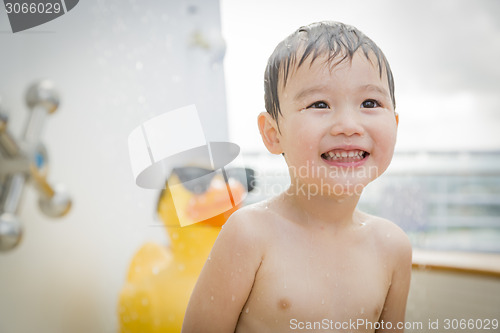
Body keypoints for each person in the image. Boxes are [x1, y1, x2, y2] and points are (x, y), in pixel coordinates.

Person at [182, 21, 412, 333]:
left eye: (369, 103)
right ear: (273, 134)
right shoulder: (249, 234)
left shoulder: (393, 247)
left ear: (395, 124)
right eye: (320, 104)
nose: (348, 124)